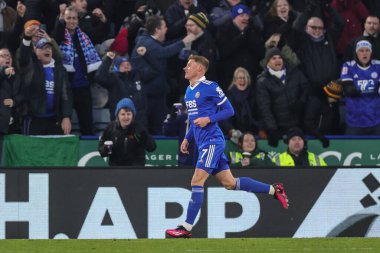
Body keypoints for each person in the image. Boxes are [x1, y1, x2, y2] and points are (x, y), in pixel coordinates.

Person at [165, 55, 289, 239]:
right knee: (230, 184)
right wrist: (187, 138)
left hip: (212, 141)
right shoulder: (189, 90)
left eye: (189, 65)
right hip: (202, 142)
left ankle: (186, 227)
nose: (185, 68)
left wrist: (209, 119)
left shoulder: (211, 87)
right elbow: (193, 119)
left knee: (196, 181)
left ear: (199, 69)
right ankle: (274, 190)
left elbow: (229, 110)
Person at [131, 15, 196, 135]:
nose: (167, 29)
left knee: (161, 129)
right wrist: (184, 41)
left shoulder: (152, 42)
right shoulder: (145, 42)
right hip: (146, 96)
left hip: (157, 94)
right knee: (147, 130)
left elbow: (165, 46)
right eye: (164, 27)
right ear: (157, 30)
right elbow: (163, 52)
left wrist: (183, 39)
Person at [18, 28, 72, 135]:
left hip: (54, 120)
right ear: (35, 52)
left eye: (48, 48)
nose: (47, 50)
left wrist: (66, 116)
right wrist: (27, 38)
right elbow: (23, 58)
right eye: (42, 48)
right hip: (33, 119)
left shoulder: (60, 70)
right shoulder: (31, 67)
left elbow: (66, 95)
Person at [256, 47, 308, 147]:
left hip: (298, 124)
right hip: (279, 127)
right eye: (274, 58)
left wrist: (301, 101)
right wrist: (272, 129)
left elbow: (306, 88)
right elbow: (264, 108)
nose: (278, 60)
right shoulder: (262, 81)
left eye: (280, 57)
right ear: (268, 62)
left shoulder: (294, 72)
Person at [98, 98, 156, 166]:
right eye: (123, 114)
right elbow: (102, 151)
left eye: (128, 114)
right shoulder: (110, 127)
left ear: (133, 115)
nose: (126, 117)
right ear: (118, 116)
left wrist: (143, 136)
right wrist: (106, 149)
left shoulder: (139, 127)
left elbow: (151, 148)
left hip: (135, 170)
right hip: (115, 169)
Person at [340, 39, 380, 135]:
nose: (364, 53)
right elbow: (348, 90)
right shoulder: (348, 66)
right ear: (356, 53)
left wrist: (359, 88)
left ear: (371, 53)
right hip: (354, 121)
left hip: (376, 120)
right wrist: (371, 87)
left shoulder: (378, 65)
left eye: (367, 50)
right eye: (361, 51)